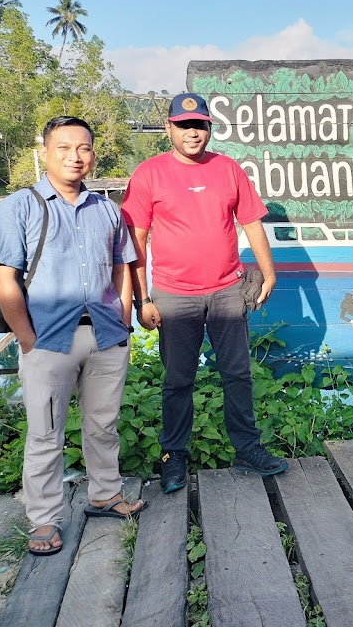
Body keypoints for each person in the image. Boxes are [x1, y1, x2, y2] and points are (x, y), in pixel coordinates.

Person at [0, 116, 144, 557]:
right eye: (64, 147)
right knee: (45, 434)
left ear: (93, 154)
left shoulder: (107, 210)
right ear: (44, 152)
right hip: (48, 340)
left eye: (84, 148)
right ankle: (44, 518)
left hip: (106, 336)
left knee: (103, 425)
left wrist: (123, 319)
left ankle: (105, 494)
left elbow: (121, 267)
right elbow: (5, 280)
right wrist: (26, 339)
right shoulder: (17, 208)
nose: (75, 157)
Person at [121, 93, 286, 493]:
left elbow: (251, 223)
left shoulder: (228, 169)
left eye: (199, 125)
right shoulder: (149, 173)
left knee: (238, 374)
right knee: (178, 380)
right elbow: (135, 241)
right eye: (183, 125)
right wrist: (143, 300)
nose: (192, 132)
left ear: (209, 128)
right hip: (174, 295)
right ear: (169, 128)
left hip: (228, 290)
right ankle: (173, 455)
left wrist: (269, 273)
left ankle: (247, 448)